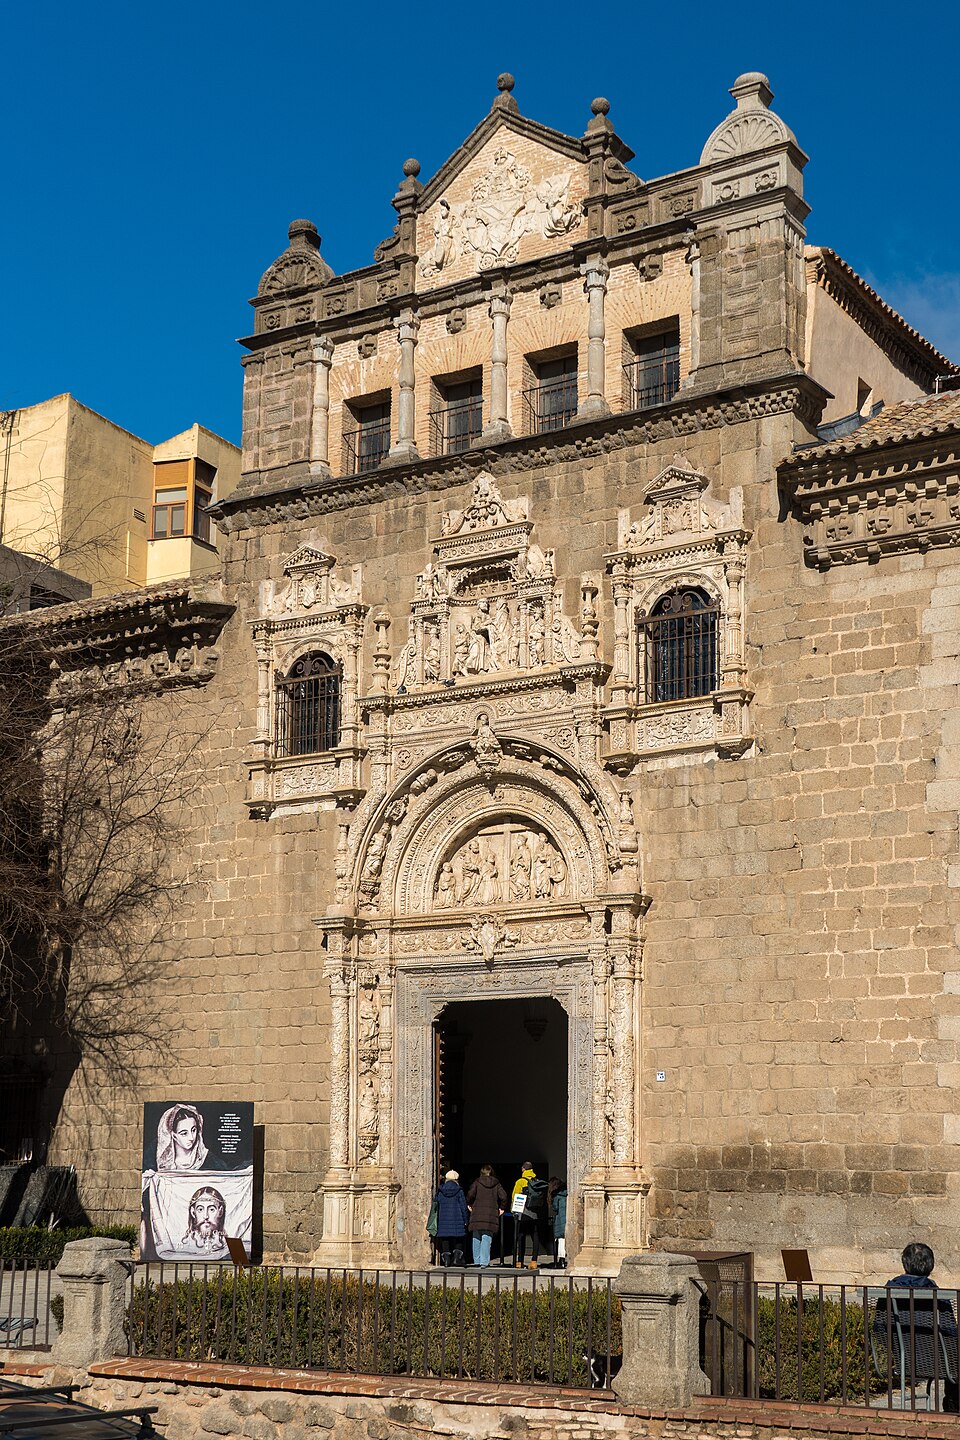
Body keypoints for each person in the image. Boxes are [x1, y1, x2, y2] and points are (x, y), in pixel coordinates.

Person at [880, 1242, 958, 1412]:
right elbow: (951, 1334)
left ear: (904, 1263)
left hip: (902, 1361)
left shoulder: (888, 1293)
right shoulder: (939, 1296)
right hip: (938, 1363)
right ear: (931, 1266)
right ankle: (952, 1409)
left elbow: (879, 1329)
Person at [466, 1165, 507, 1268]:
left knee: (476, 1238)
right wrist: (502, 1208)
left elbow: (470, 1195)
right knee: (486, 1238)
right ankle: (484, 1262)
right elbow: (504, 1196)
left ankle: (477, 1261)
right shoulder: (496, 1184)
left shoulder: (477, 1182)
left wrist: (469, 1204)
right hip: (490, 1215)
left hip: (477, 1214)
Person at [512, 1162, 547, 1268]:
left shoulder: (521, 1181)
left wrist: (513, 1211)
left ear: (523, 1169)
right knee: (535, 1236)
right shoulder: (536, 1181)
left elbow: (515, 1196)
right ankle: (534, 1261)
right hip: (534, 1213)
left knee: (521, 1236)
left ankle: (520, 1261)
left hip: (523, 1213)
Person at [155, 1104, 208, 1171]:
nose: (191, 1138)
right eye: (184, 1133)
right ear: (173, 1135)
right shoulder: (162, 1162)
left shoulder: (208, 1159)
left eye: (193, 1130)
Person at [434, 1169, 469, 1267]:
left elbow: (436, 1204)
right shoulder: (459, 1190)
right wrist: (466, 1220)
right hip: (457, 1219)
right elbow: (463, 1206)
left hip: (443, 1220)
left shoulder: (440, 1191)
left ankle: (446, 1260)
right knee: (459, 1238)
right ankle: (457, 1259)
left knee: (445, 1239)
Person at [547, 1176, 568, 1269]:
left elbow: (555, 1208)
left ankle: (562, 1260)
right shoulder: (567, 1194)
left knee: (561, 1240)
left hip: (560, 1219)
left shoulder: (557, 1196)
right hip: (569, 1218)